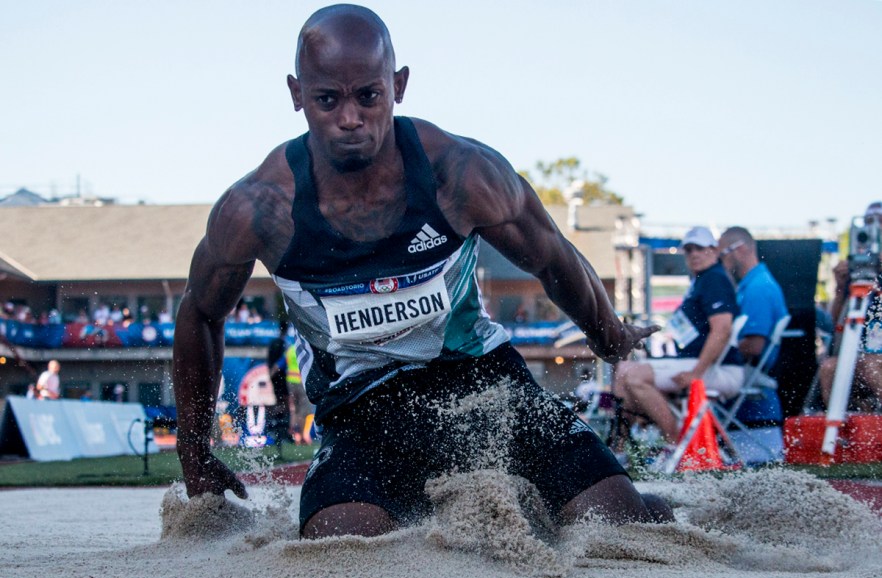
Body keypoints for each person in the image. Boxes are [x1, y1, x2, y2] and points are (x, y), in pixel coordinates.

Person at [173, 4, 671, 540]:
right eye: (327, 100)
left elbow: (553, 256)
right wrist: (195, 450)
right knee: (337, 550)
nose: (349, 118)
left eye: (369, 95)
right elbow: (199, 313)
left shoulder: (459, 173)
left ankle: (646, 503)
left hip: (486, 385)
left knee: (622, 528)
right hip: (363, 411)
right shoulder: (259, 208)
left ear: (398, 85)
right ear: (297, 95)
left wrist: (610, 335)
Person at [614, 226, 742, 445]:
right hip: (695, 362)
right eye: (688, 249)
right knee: (623, 376)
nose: (693, 254)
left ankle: (675, 444)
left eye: (699, 248)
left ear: (713, 250)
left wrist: (696, 373)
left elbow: (722, 330)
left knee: (634, 376)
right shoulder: (701, 280)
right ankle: (622, 447)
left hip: (718, 369)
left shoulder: (715, 279)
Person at [818, 202, 882, 411]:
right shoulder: (859, 267)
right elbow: (835, 324)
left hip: (874, 358)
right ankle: (843, 434)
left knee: (871, 365)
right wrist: (840, 288)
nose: (874, 228)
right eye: (869, 222)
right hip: (862, 353)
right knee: (829, 368)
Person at [717, 226, 789, 367]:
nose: (722, 263)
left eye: (722, 256)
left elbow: (755, 346)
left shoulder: (758, 288)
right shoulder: (754, 284)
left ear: (740, 249)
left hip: (749, 371)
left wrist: (713, 353)